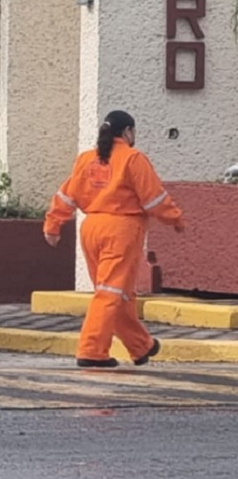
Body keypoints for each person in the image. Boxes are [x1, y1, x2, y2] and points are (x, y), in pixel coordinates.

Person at [43, 111, 186, 368]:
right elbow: (154, 198)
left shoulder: (87, 159)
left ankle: (140, 345)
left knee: (115, 293)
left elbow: (67, 195)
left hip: (91, 229)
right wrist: (175, 219)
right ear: (128, 132)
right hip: (121, 230)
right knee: (110, 294)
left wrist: (53, 224)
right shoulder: (133, 159)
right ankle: (91, 351)